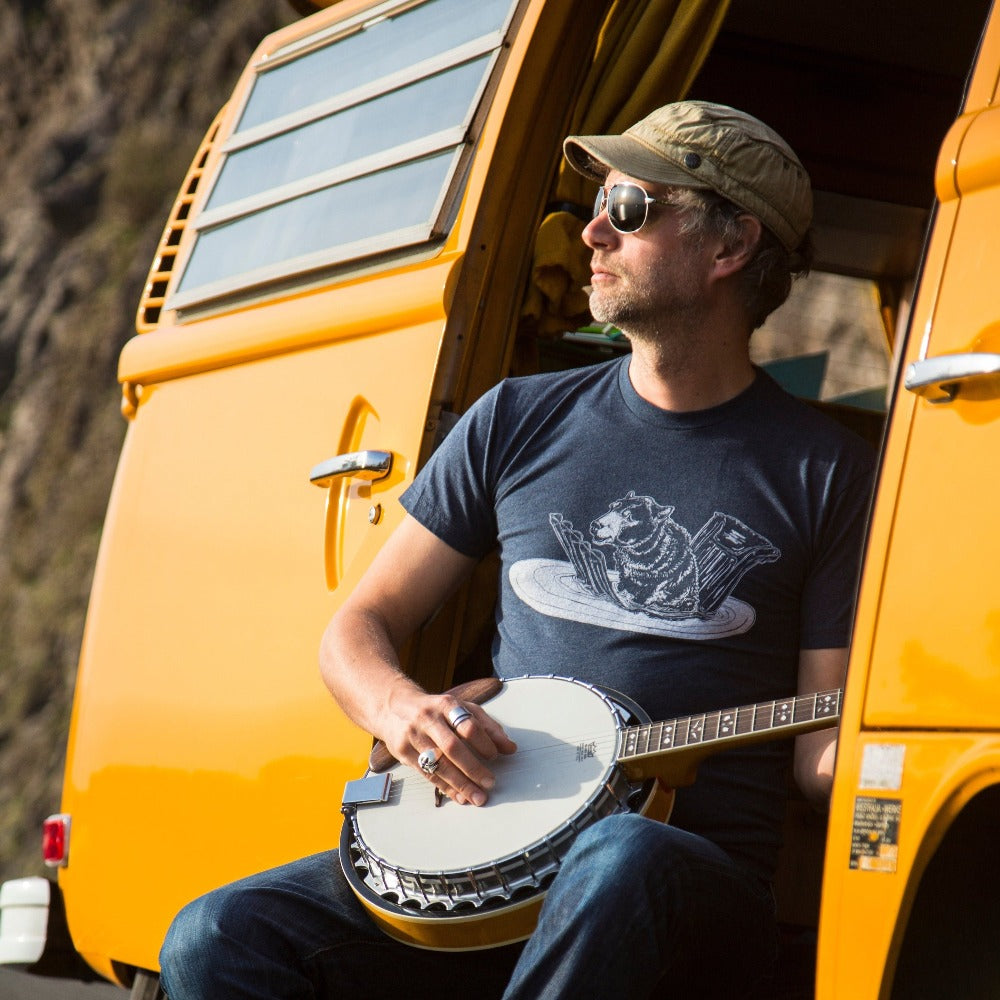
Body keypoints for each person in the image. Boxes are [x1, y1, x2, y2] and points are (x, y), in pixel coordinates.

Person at [159, 101, 875, 999]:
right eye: (599, 205)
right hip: (483, 858)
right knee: (215, 936)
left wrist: (913, 733)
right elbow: (358, 629)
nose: (591, 234)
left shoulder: (833, 475)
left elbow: (818, 756)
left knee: (622, 855)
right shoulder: (516, 418)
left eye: (628, 208)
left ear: (730, 246)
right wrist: (402, 712)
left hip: (682, 882)